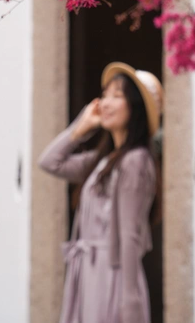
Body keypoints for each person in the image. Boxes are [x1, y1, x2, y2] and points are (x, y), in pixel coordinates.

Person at [38, 61, 164, 323]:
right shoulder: (102, 161)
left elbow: (130, 234)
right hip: (87, 273)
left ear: (136, 107)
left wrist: (130, 299)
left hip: (111, 275)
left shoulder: (135, 161)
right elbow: (49, 162)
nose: (105, 103)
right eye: (105, 95)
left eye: (117, 96)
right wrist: (80, 129)